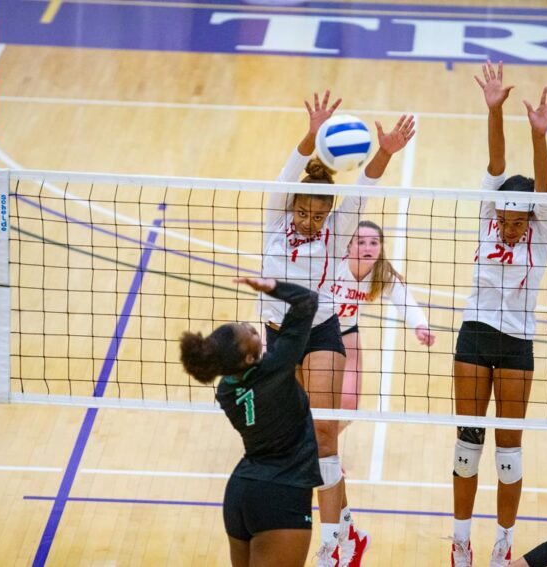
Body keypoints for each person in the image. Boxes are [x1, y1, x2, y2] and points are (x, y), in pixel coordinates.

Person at [262, 90, 415, 566]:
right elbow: (290, 171)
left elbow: (366, 184)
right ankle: (350, 529)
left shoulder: (335, 225)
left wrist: (385, 150)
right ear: (292, 207)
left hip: (323, 331)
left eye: (318, 215)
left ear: (329, 214)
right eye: (303, 213)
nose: (309, 221)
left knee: (324, 435)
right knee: (299, 441)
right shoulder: (274, 215)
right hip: (278, 336)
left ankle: (332, 546)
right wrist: (312, 133)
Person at [451, 61, 547, 567]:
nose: (513, 227)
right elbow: (496, 165)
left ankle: (502, 542)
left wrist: (538, 135)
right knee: (467, 445)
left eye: (521, 220)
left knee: (509, 451)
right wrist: (495, 110)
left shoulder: (541, 228)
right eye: (508, 219)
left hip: (518, 344)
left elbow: (540, 186)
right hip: (474, 335)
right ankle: (460, 541)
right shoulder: (488, 214)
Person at [179, 278, 321, 567]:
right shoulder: (275, 369)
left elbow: (246, 375)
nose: (253, 328)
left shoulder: (227, 390)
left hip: (242, 495)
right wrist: (270, 287)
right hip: (281, 494)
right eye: (249, 333)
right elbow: (307, 302)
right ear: (247, 357)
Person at [327, 220, 436, 413]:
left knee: (349, 406)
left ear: (381, 247)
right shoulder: (333, 265)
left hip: (346, 332)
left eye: (374, 242)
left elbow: (406, 301)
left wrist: (421, 326)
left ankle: (320, 441)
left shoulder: (382, 275)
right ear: (349, 245)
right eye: (360, 242)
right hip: (315, 330)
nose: (367, 248)